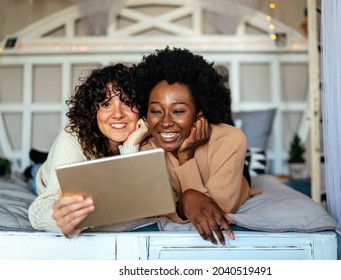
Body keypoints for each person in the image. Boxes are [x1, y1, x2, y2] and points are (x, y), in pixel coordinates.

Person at [131, 47, 261, 246]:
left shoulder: (232, 140)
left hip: (232, 171)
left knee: (222, 133)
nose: (165, 122)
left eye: (178, 110)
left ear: (198, 114)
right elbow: (156, 208)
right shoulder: (144, 147)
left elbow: (220, 207)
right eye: (156, 110)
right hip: (204, 157)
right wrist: (187, 200)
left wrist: (186, 157)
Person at [28, 63, 149, 235]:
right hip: (43, 177)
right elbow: (40, 210)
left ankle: (42, 157)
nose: (118, 114)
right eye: (106, 104)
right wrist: (62, 220)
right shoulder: (73, 137)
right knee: (36, 170)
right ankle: (37, 163)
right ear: (93, 110)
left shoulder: (146, 135)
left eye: (128, 102)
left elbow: (131, 198)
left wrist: (130, 147)